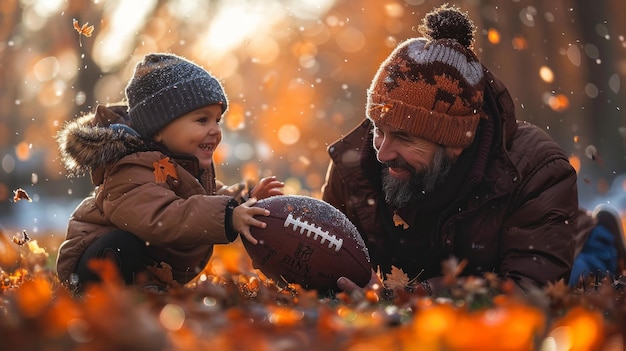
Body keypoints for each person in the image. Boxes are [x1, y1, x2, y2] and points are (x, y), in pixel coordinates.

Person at [321, 4, 625, 295]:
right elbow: (320, 249)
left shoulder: (536, 170)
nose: (382, 153)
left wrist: (407, 297)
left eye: (404, 137)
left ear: (455, 143)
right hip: (440, 276)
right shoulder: (352, 166)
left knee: (582, 275)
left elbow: (527, 291)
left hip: (562, 246)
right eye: (379, 130)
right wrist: (276, 225)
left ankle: (604, 236)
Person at [55, 53, 284, 292]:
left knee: (132, 249)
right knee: (121, 246)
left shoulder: (182, 165)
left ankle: (143, 287)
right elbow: (163, 216)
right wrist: (228, 216)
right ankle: (104, 290)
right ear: (159, 129)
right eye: (202, 120)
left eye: (217, 120)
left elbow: (207, 198)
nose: (215, 131)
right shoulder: (129, 169)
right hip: (91, 264)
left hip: (147, 266)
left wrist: (246, 203)